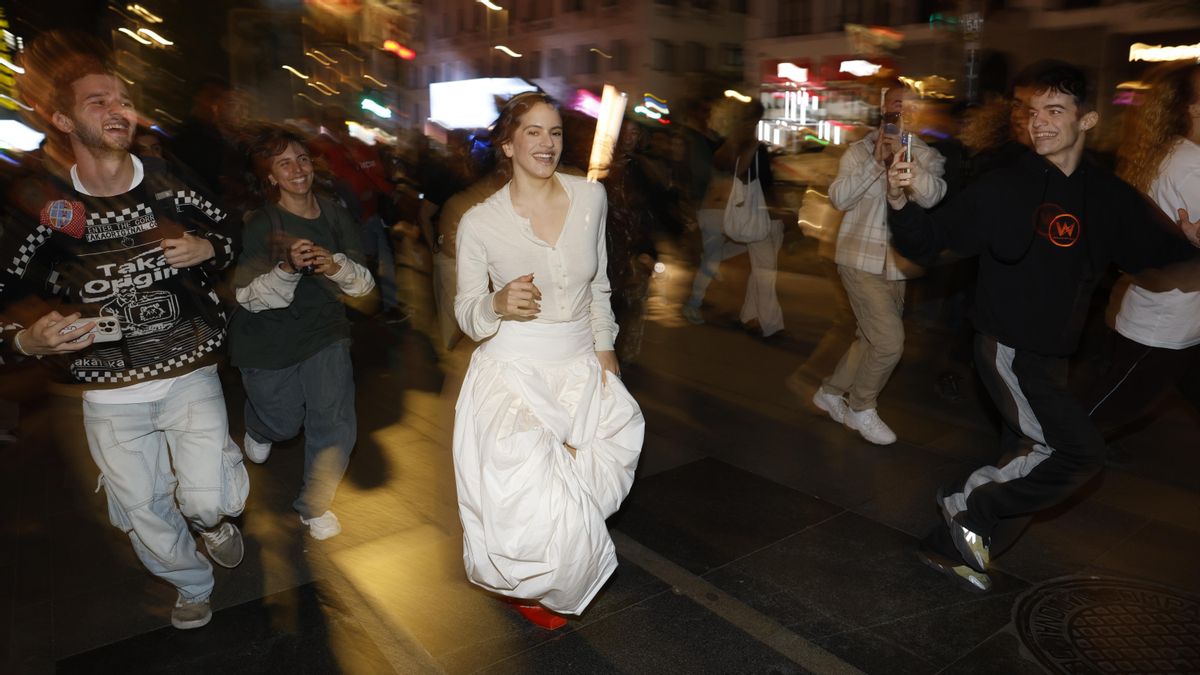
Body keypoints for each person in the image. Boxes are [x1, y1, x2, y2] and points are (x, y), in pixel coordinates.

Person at [885, 61, 1200, 592]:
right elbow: (931, 241)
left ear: (1088, 119)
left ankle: (957, 527)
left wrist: (1188, 243)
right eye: (1032, 112)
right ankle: (966, 517)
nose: (1040, 123)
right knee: (1077, 452)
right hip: (1007, 348)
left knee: (1026, 454)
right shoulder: (1004, 186)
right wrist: (899, 202)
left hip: (1053, 354)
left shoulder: (1107, 195)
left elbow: (1153, 254)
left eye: (1055, 111)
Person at [3, 34, 248, 629]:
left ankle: (213, 520)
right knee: (143, 510)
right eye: (98, 102)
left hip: (189, 367)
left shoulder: (169, 178)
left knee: (209, 498)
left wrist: (206, 246)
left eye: (123, 100)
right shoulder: (42, 205)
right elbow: (5, 293)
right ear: (63, 119)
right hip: (107, 392)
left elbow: (230, 234)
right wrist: (24, 341)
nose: (119, 110)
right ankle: (190, 582)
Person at [452, 92, 644, 628]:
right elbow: (466, 312)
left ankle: (547, 578)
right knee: (529, 496)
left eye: (555, 132)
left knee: (585, 491)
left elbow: (600, 287)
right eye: (532, 132)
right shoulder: (479, 223)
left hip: (579, 364)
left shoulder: (590, 199)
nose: (546, 143)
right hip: (513, 373)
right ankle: (532, 582)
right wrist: (495, 303)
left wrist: (607, 356)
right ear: (507, 145)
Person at [229, 125, 376, 541]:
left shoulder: (334, 213)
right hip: (266, 338)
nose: (297, 169)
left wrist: (336, 266)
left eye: (303, 159)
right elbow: (246, 296)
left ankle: (315, 505)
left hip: (325, 330)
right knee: (283, 422)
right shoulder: (262, 223)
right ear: (270, 176)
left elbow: (363, 285)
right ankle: (260, 426)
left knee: (335, 420)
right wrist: (289, 268)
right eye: (284, 163)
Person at [812, 82, 947, 445]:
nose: (901, 113)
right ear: (884, 111)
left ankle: (829, 392)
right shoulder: (858, 151)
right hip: (858, 259)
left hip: (898, 265)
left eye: (908, 107)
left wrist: (909, 164)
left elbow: (934, 197)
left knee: (868, 338)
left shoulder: (926, 154)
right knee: (889, 342)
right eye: (895, 107)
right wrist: (875, 163)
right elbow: (839, 198)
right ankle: (861, 407)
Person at [1083, 61, 1200, 438]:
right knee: (1089, 423)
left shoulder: (1172, 154)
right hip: (1167, 325)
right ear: (1195, 109)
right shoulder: (1191, 168)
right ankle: (1003, 482)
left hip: (1177, 316)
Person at [683, 100, 786, 336]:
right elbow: (742, 175)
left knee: (730, 260)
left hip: (736, 212)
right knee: (759, 269)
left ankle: (750, 316)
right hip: (740, 212)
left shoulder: (727, 142)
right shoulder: (743, 145)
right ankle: (765, 322)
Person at [310, 106, 402, 320]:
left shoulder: (353, 147)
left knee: (378, 260)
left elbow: (375, 173)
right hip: (351, 217)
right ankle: (370, 306)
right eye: (336, 120)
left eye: (341, 120)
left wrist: (384, 192)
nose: (340, 125)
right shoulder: (319, 148)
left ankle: (382, 305)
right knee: (363, 261)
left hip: (368, 215)